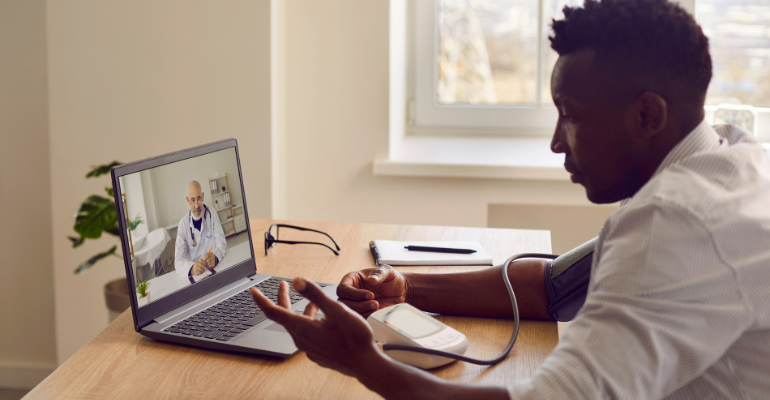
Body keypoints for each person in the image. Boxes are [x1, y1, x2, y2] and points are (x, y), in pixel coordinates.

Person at [250, 0, 770, 398]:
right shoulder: (724, 156)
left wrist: (365, 364)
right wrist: (406, 288)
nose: (556, 141)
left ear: (647, 116)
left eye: (571, 114)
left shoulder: (679, 221)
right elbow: (554, 288)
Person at [174, 180, 227, 277]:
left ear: (203, 196)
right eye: (193, 200)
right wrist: (191, 268)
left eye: (199, 199)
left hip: (216, 270)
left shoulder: (212, 213)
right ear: (188, 200)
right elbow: (178, 261)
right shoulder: (183, 225)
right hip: (197, 277)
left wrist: (215, 257)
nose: (197, 205)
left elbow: (221, 242)